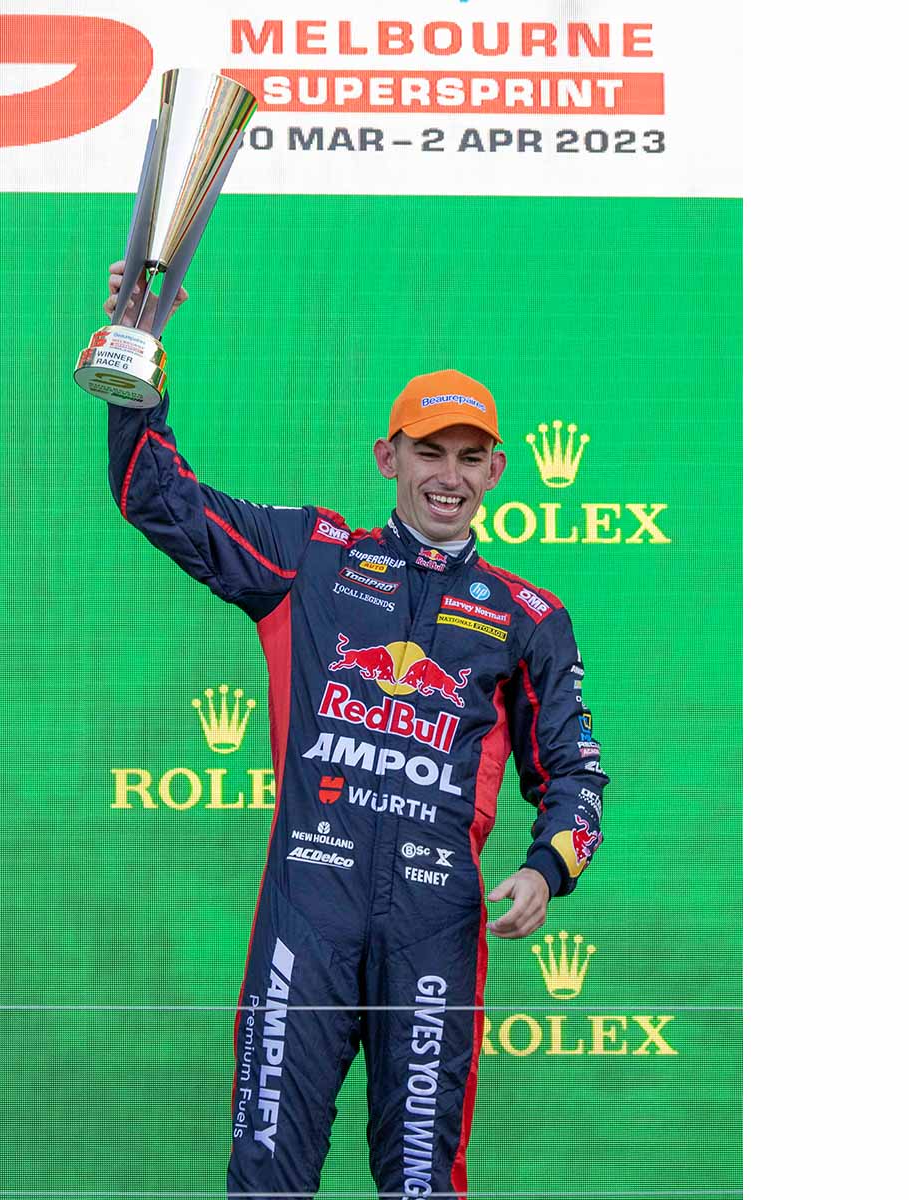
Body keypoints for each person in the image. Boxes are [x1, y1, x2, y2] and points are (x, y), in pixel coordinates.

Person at [102, 265, 607, 1199]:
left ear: (496, 471)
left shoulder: (529, 617)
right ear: (388, 457)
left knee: (420, 1183)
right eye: (429, 452)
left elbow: (575, 774)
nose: (448, 477)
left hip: (435, 931)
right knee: (267, 1176)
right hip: (308, 914)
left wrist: (549, 867)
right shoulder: (315, 558)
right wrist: (141, 364)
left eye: (470, 457)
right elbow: (158, 497)